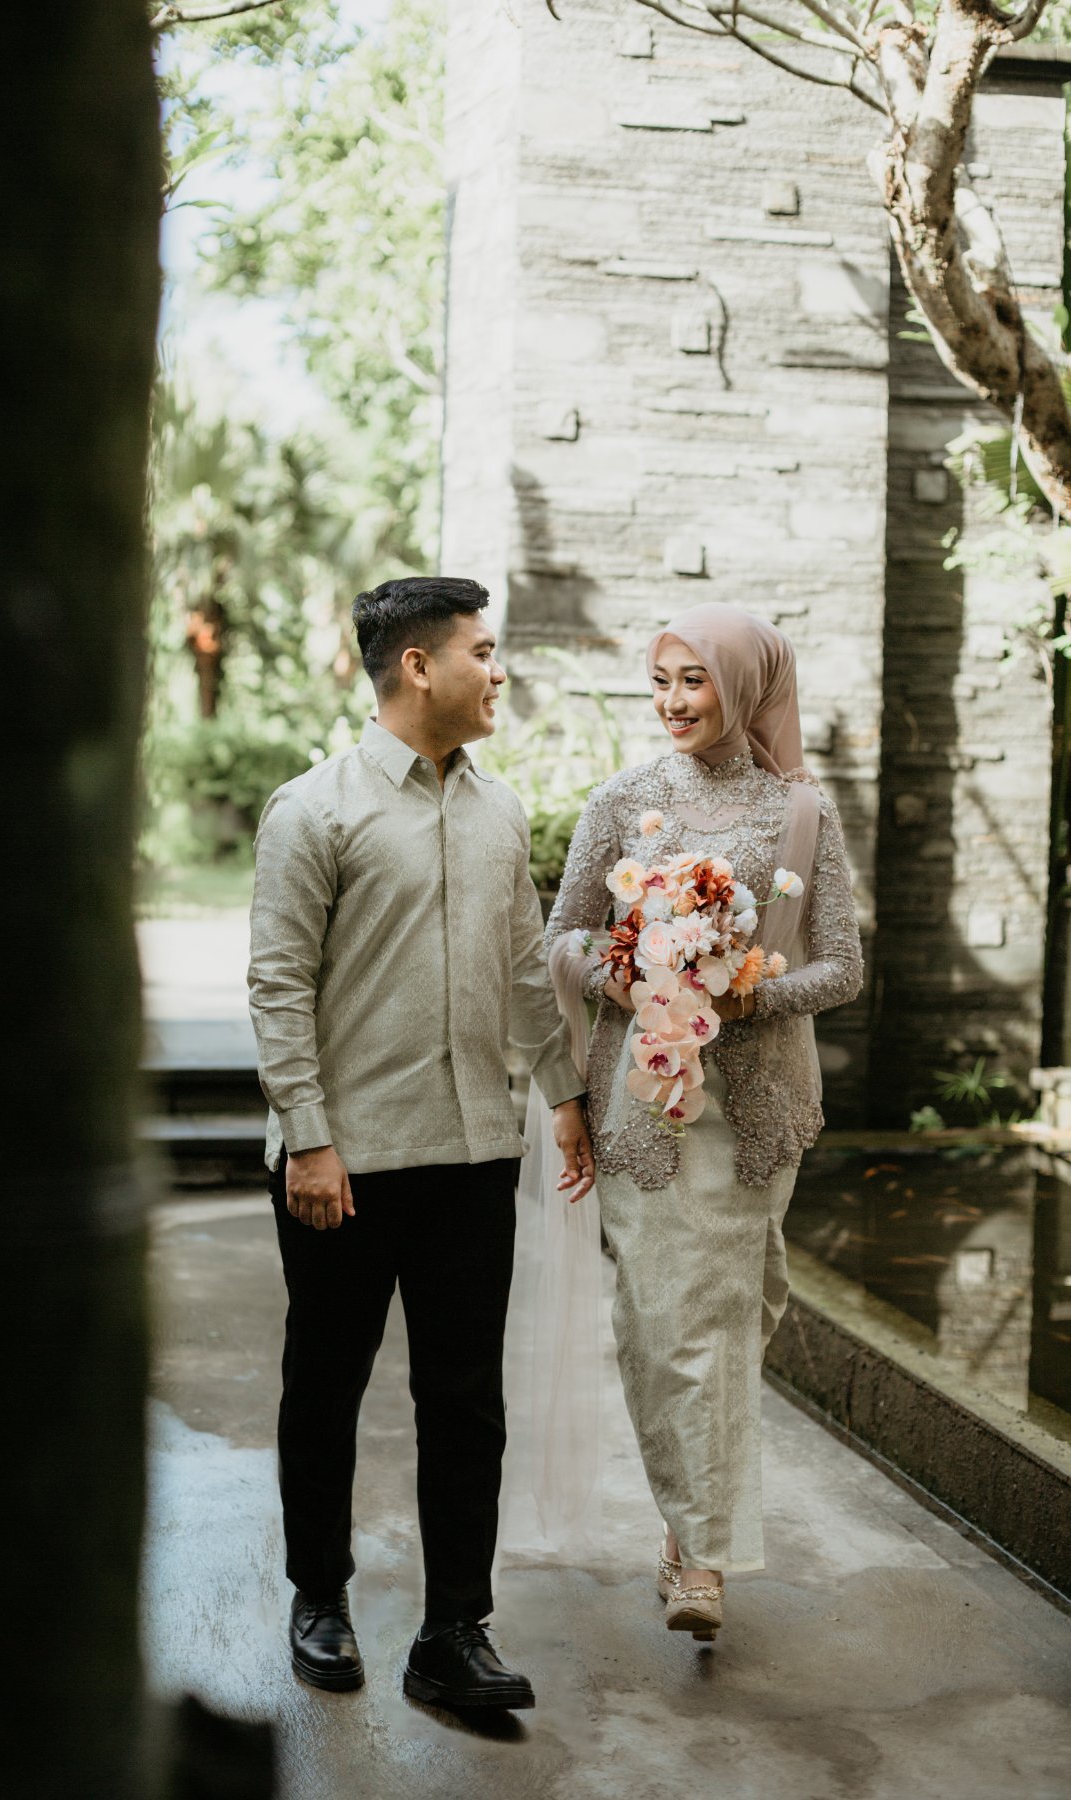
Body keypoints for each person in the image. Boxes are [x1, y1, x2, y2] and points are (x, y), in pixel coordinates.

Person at [248, 575, 595, 1710]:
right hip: (343, 1165)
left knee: (466, 1403)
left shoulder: (499, 812)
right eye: (482, 652)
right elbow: (278, 985)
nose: (498, 672)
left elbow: (526, 966)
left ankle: (454, 1631)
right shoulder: (313, 810)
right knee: (325, 1389)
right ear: (418, 666)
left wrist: (565, 1094)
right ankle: (319, 1596)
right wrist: (308, 1140)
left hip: (471, 1156)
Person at [542, 602, 862, 1641]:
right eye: (662, 680)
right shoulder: (621, 802)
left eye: (696, 680)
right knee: (657, 1320)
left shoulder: (802, 814)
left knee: (727, 1320)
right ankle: (695, 1540)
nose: (675, 701)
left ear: (748, 686)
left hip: (755, 1109)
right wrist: (635, 977)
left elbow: (843, 968)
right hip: (645, 1105)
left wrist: (743, 991)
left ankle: (697, 1552)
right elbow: (561, 938)